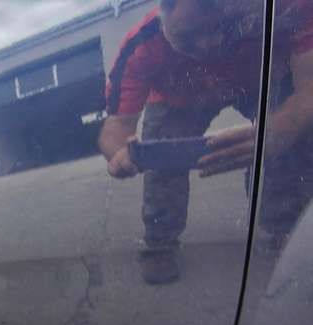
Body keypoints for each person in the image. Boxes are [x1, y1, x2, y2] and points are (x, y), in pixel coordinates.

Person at [98, 0, 313, 284]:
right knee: (160, 157)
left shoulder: (286, 7)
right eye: (187, 36)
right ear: (162, 18)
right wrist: (119, 155)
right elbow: (115, 126)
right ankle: (160, 244)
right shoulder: (142, 44)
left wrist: (280, 131)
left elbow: (308, 92)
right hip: (179, 99)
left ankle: (281, 227)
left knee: (294, 134)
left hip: (253, 83)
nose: (207, 45)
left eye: (220, 26)